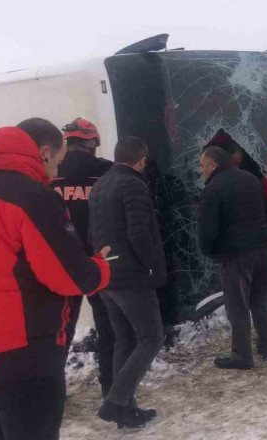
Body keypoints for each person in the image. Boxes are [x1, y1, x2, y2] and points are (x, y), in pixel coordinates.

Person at [0, 118, 110, 440]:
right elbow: (72, 278)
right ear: (42, 153)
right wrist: (101, 266)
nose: (57, 171)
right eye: (57, 160)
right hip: (23, 357)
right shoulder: (34, 198)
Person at [89, 137, 166, 429]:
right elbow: (138, 233)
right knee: (151, 338)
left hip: (107, 274)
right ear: (141, 160)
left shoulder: (101, 185)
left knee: (126, 340)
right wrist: (153, 266)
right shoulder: (133, 185)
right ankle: (115, 401)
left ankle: (125, 409)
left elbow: (92, 232)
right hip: (132, 276)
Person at [196, 146, 267, 369]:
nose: (200, 170)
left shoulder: (212, 189)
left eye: (202, 165)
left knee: (237, 306)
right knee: (260, 300)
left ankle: (242, 355)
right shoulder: (250, 179)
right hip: (263, 248)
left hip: (235, 255)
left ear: (213, 165)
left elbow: (206, 230)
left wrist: (210, 251)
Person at [51, 118, 115, 398]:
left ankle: (52, 392)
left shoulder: (50, 174)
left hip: (58, 263)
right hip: (99, 262)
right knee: (109, 328)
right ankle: (112, 388)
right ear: (93, 143)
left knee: (57, 331)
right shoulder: (108, 172)